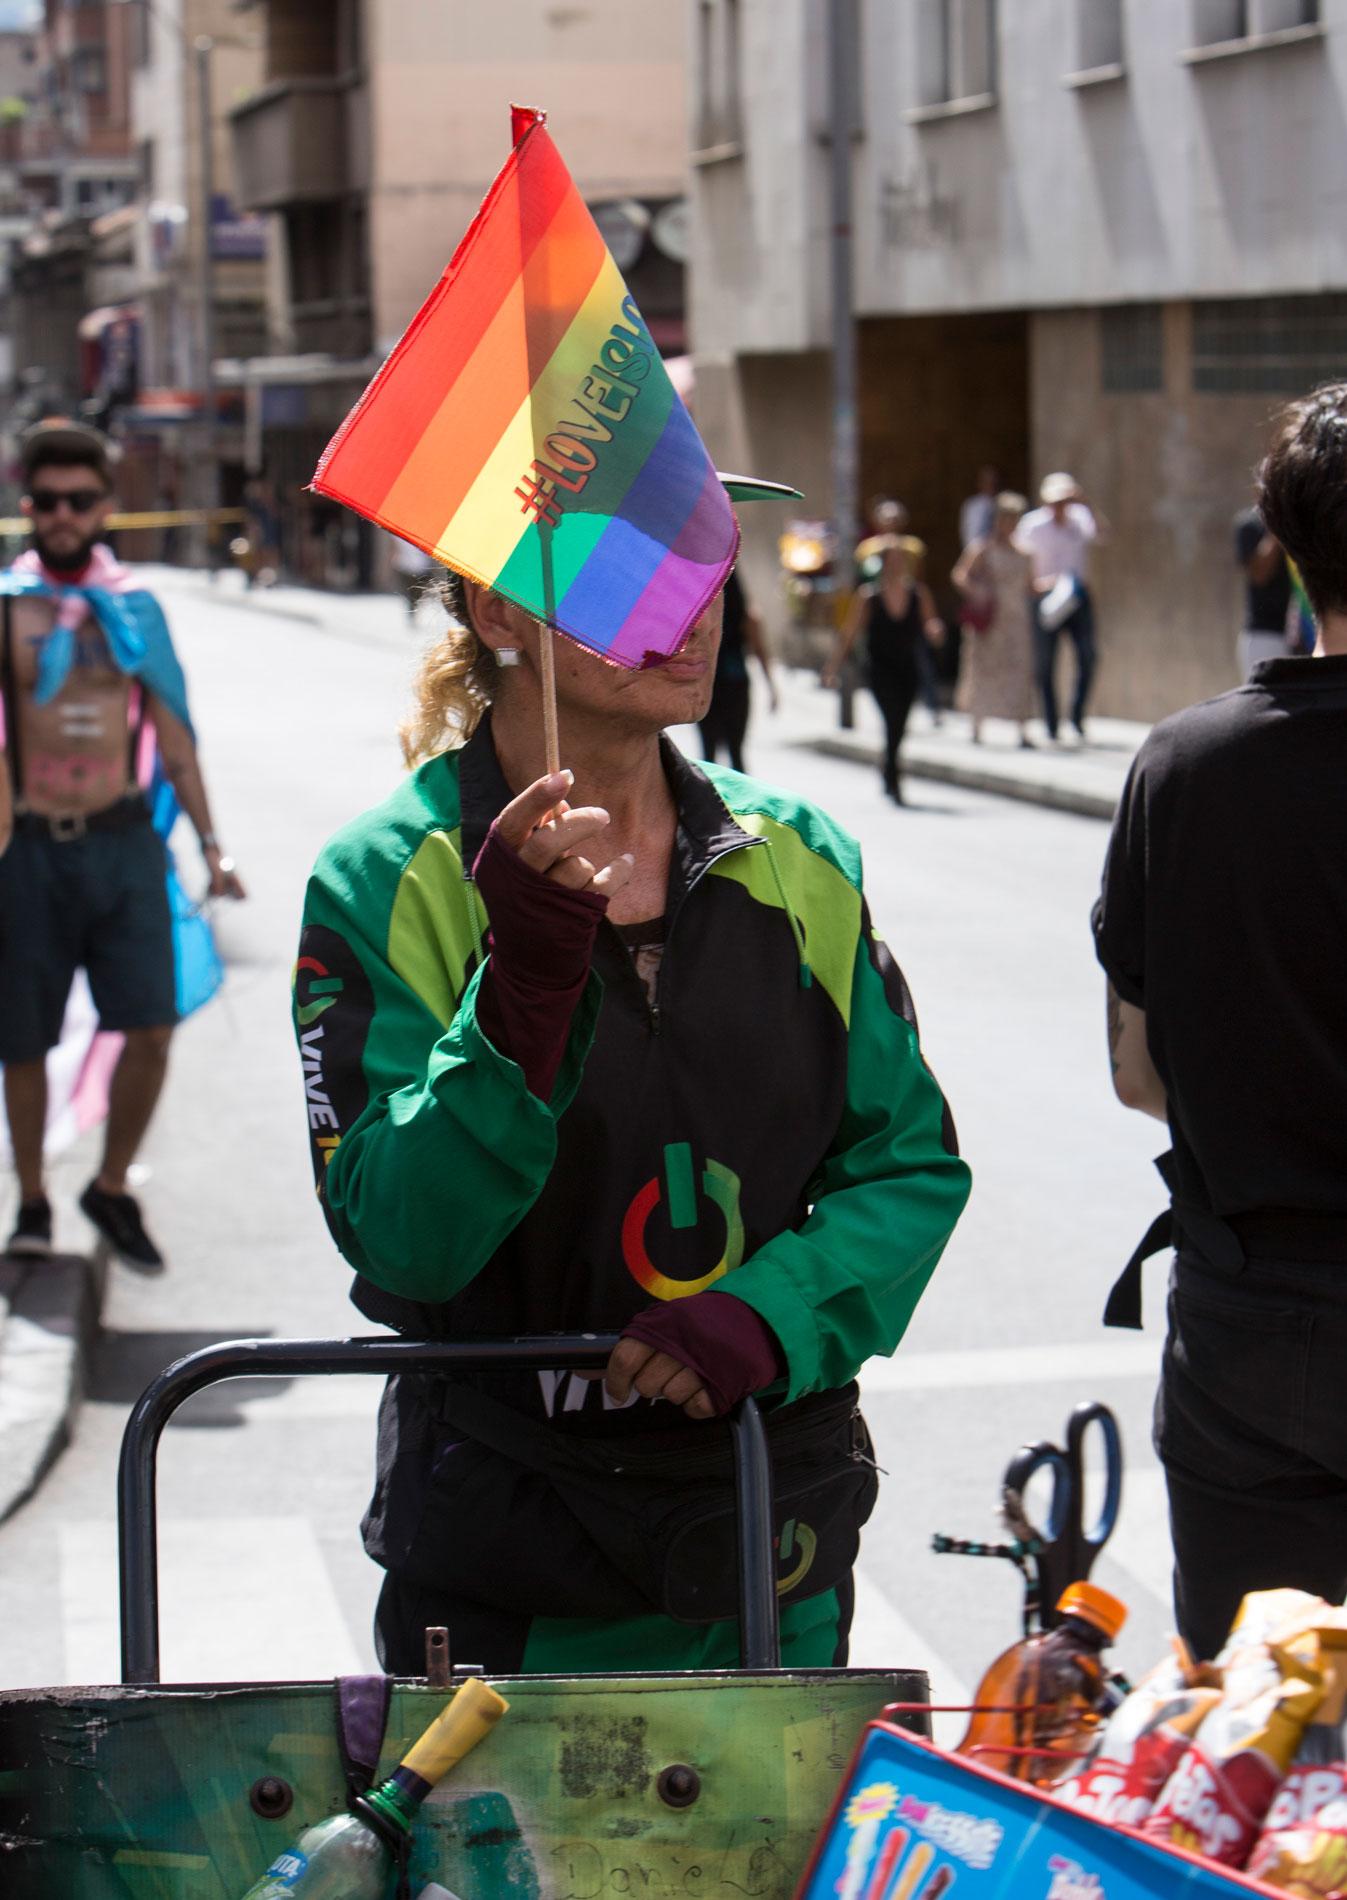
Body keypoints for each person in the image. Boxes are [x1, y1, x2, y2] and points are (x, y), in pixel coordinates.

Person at [294, 556, 970, 1676]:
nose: (694, 612)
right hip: (510, 1567)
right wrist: (519, 1000)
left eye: (709, 569)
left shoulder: (802, 856)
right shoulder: (383, 878)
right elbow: (404, 1239)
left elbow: (908, 1167)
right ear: (501, 607)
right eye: (638, 575)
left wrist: (769, 1315)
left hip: (771, 1536)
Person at [1092, 382, 1347, 1661]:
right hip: (1251, 1318)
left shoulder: (1185, 766)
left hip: (1253, 1334)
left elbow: (1137, 1071)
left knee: (1261, 1752)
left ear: (1284, 550)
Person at [0, 419, 245, 1266]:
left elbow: (177, 736)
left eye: (81, 500)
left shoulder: (136, 609)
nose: (64, 515)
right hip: (28, 849)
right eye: (49, 500)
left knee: (150, 1024)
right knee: (21, 1036)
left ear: (106, 506)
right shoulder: (7, 606)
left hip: (125, 842)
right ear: (29, 505)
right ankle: (30, 1200)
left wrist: (213, 844)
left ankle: (108, 1188)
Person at [825, 535, 944, 804]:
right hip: (880, 669)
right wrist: (833, 667)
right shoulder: (869, 597)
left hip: (907, 668)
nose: (896, 565)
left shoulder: (918, 594)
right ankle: (893, 776)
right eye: (891, 560)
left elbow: (931, 623)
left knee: (900, 724)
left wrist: (935, 631)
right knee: (891, 719)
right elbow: (849, 634)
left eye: (900, 561)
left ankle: (889, 767)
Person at [1017, 473, 1109, 744]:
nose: (1061, 505)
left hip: (1077, 598)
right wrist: (1037, 584)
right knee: (1045, 663)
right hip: (1044, 598)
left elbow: (1103, 534)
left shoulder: (1080, 518)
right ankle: (1051, 723)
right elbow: (1021, 561)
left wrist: (1086, 503)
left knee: (1088, 656)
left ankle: (1077, 716)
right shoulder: (1033, 525)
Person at [951, 492, 1035, 747]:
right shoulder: (982, 548)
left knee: (1019, 670)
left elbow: (1030, 586)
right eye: (1005, 518)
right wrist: (976, 592)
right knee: (983, 669)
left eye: (1013, 518)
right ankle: (977, 724)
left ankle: (1022, 727)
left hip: (1016, 619)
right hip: (990, 618)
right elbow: (960, 575)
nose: (1008, 523)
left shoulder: (1025, 553)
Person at [698, 566, 778, 772]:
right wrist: (772, 687)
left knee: (708, 753)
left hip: (707, 683)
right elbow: (759, 649)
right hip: (736, 683)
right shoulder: (747, 614)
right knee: (736, 752)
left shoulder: (701, 615)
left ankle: (706, 802)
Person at [1232, 503, 1291, 678]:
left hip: (1301, 635)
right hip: (1265, 636)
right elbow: (1259, 574)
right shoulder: (1250, 524)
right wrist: (1277, 529)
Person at [389, 532, 437, 623]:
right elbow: (394, 548)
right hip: (405, 566)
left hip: (421, 567)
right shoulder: (399, 536)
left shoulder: (423, 536)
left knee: (418, 592)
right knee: (409, 591)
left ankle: (413, 607)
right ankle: (412, 609)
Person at [959, 465, 1000, 552]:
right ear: (979, 483)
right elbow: (968, 532)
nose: (990, 485)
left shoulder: (1002, 504)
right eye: (986, 481)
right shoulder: (971, 505)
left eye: (993, 481)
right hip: (977, 553)